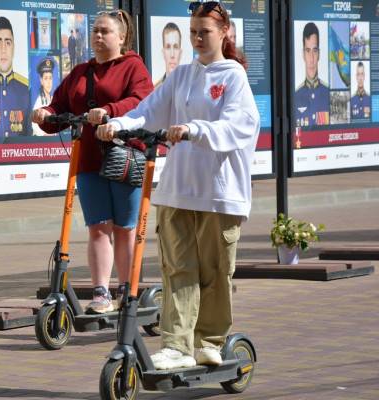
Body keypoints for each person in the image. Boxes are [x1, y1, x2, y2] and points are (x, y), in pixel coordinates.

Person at [96, 1, 260, 369]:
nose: (199, 38)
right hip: (178, 189)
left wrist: (193, 128)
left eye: (206, 32)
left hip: (219, 193)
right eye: (194, 33)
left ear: (225, 33)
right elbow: (147, 110)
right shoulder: (182, 75)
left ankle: (210, 341)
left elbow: (241, 125)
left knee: (215, 272)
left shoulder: (233, 76)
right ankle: (176, 345)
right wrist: (118, 124)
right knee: (177, 268)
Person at [32, 9, 154, 314]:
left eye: (105, 31)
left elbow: (141, 101)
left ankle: (127, 290)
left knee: (124, 228)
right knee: (98, 227)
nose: (98, 36)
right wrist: (45, 114)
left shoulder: (133, 67)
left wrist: (110, 110)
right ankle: (101, 293)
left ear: (122, 36)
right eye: (95, 31)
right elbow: (60, 105)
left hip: (124, 157)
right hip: (87, 160)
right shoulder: (80, 71)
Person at [294, 22, 330, 128]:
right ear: (303, 54)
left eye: (314, 51)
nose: (311, 57)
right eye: (307, 50)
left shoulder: (329, 94)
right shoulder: (295, 96)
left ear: (319, 53)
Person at [32, 57, 56, 136]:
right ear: (41, 81)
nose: (49, 82)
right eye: (46, 78)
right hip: (43, 142)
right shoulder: (38, 102)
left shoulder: (54, 99)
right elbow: (34, 124)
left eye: (50, 78)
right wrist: (44, 134)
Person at [155, 22, 182, 88]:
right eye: (168, 47)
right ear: (163, 53)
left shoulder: (191, 88)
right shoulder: (154, 90)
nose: (172, 55)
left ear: (180, 53)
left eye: (175, 47)